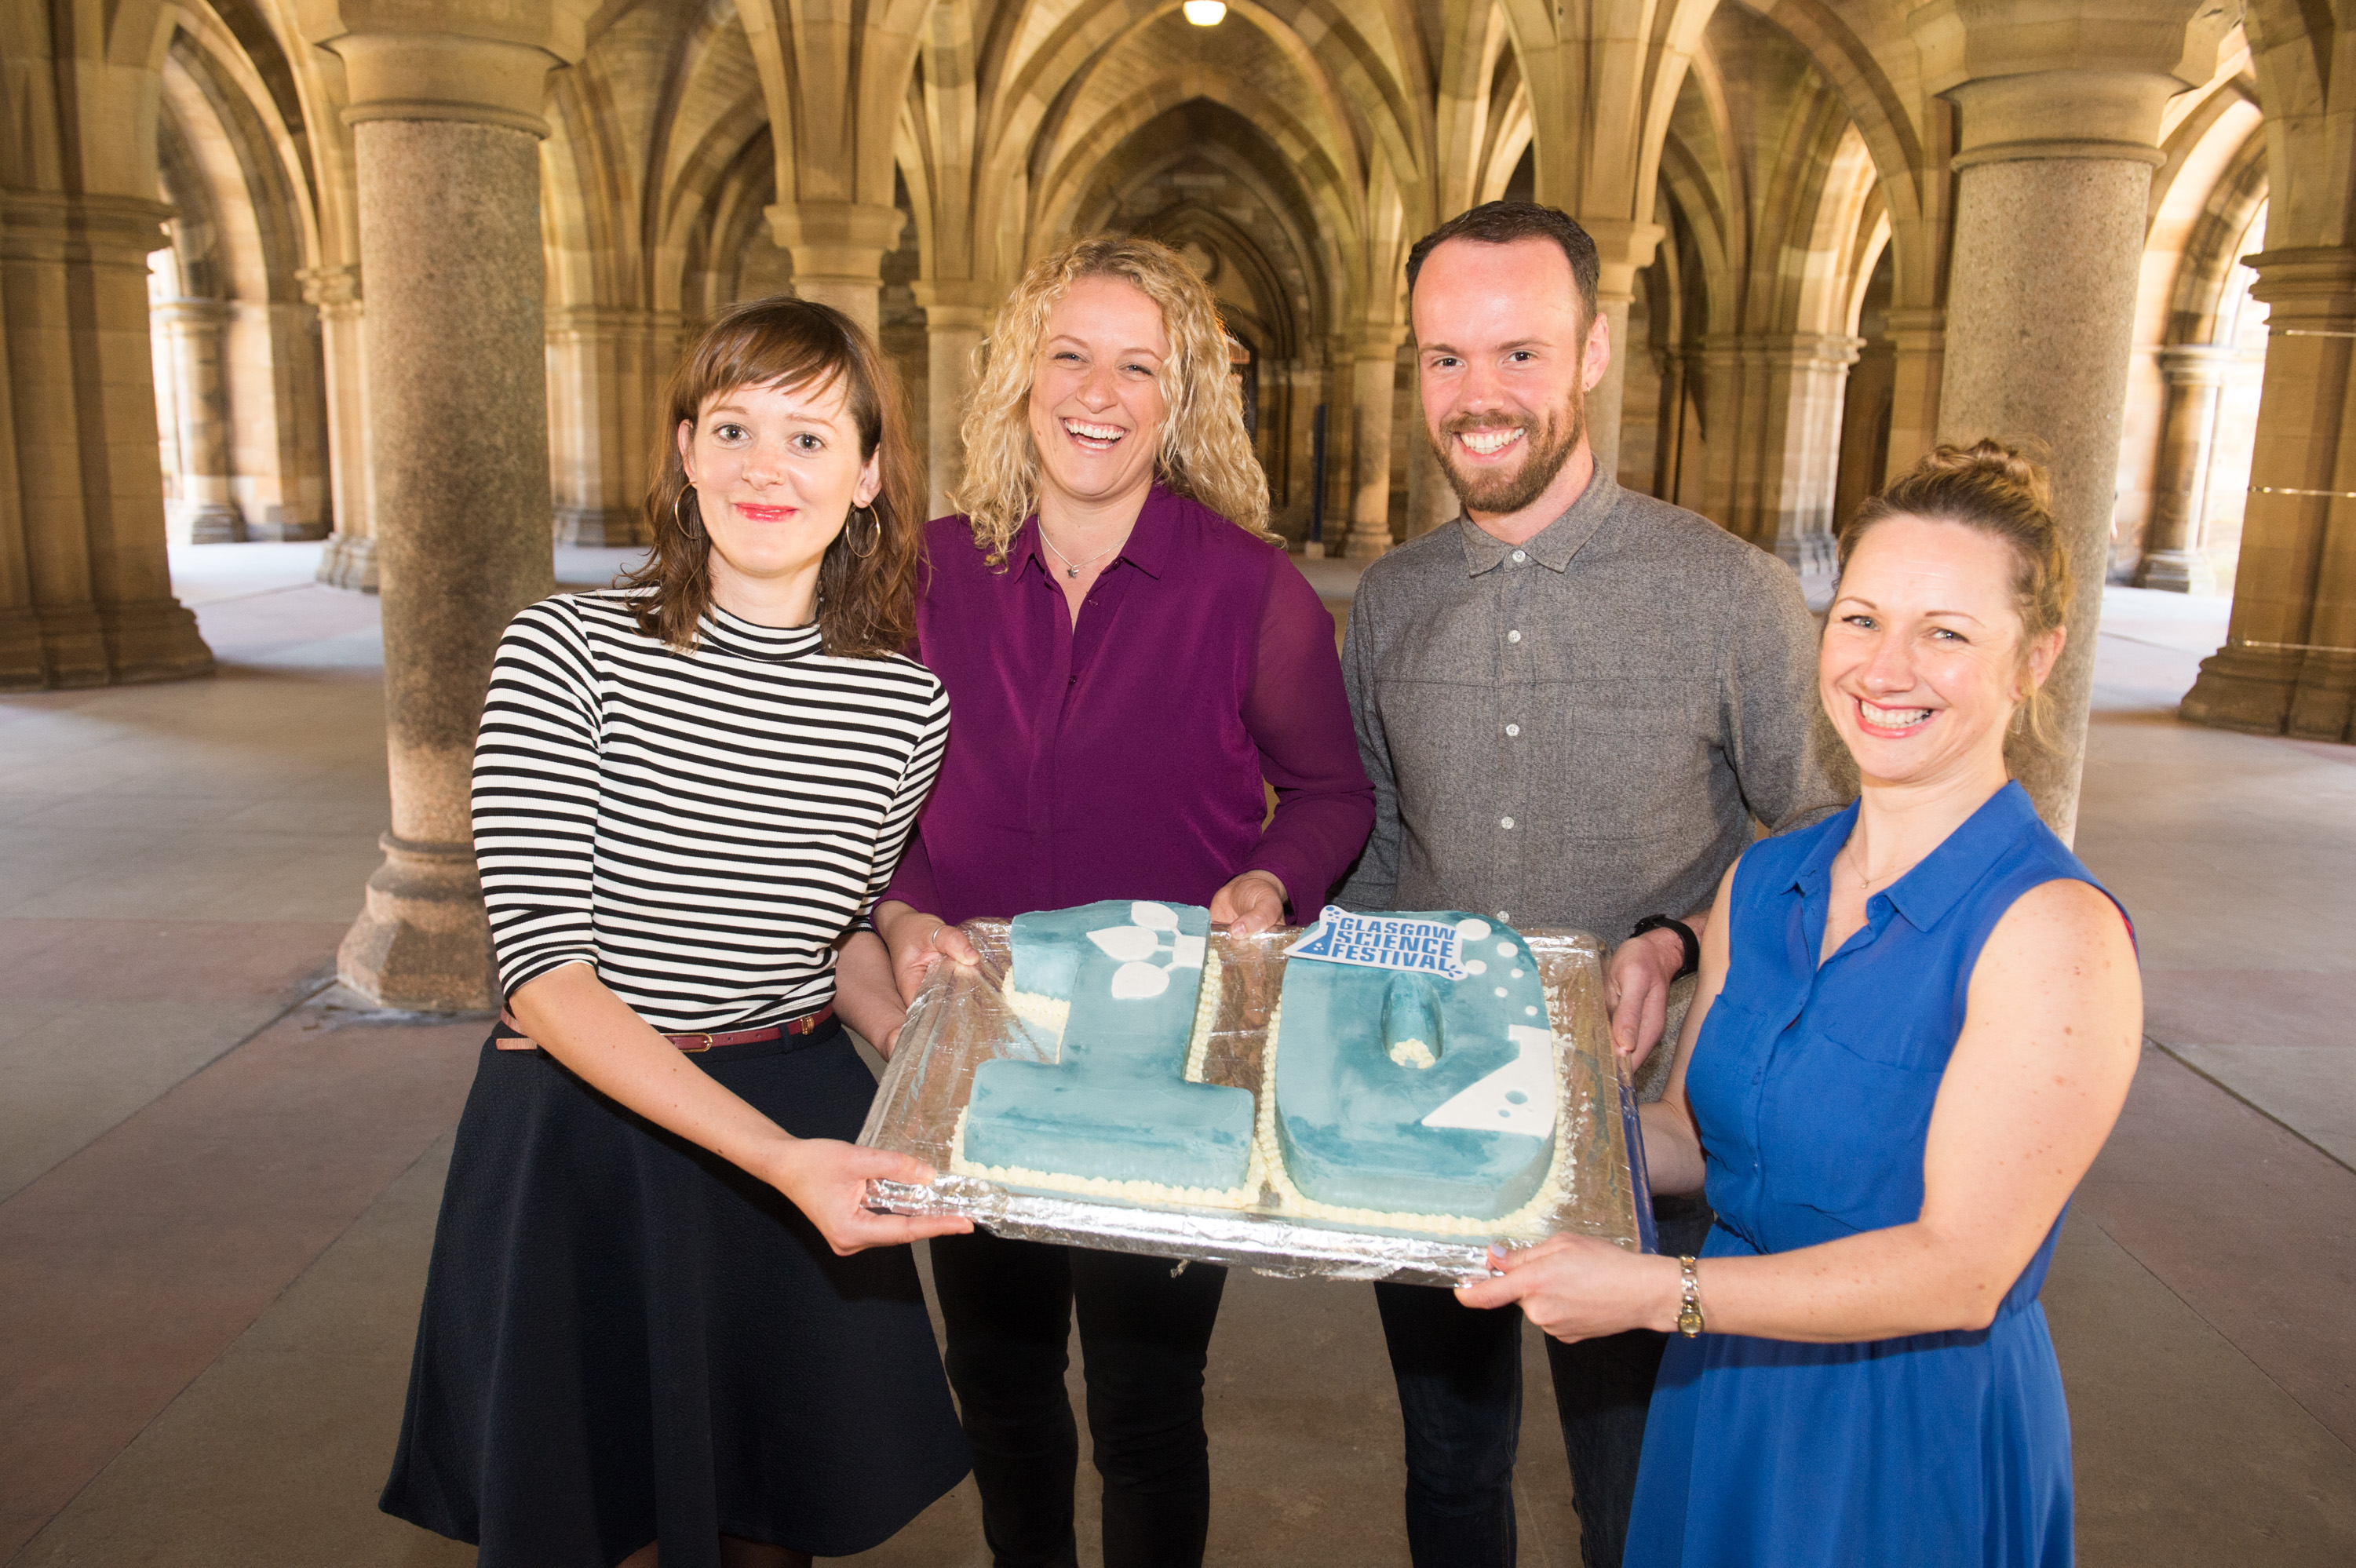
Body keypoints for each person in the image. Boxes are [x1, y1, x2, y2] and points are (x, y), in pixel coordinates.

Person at [1462, 440, 2143, 1568]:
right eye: (1861, 618)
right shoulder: (1766, 877)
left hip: (1903, 1424)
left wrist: (1657, 1291)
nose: (1886, 668)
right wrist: (1492, 1131)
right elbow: (1690, 1137)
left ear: (2036, 659)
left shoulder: (2053, 933)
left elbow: (1961, 1269)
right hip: (1726, 1388)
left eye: (1946, 633)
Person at [380, 298, 974, 1568]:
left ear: (869, 474)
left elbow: (834, 938)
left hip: (797, 1105)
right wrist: (782, 1162)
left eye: (810, 438)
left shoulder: (903, 706)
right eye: (733, 427)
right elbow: (545, 976)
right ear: (687, 450)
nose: (767, 467)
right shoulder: (565, 650)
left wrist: (924, 1040)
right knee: (605, 1519)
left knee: (775, 1526)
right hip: (593, 1131)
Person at [1336, 200, 1844, 1568]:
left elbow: (1819, 836)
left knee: (1631, 1496)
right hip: (1432, 1126)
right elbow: (1380, 848)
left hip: (1650, 1135)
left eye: (1520, 352)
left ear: (1594, 351)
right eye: (1445, 357)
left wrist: (1677, 939)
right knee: (1449, 1471)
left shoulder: (1729, 593)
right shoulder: (1387, 601)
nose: (1478, 394)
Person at [873, 234, 1374, 1568]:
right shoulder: (929, 572)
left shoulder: (1250, 590)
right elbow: (871, 791)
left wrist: (1275, 873)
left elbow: (1331, 791)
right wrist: (904, 910)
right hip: (981, 1039)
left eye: (1137, 366)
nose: (1099, 393)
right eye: (1071, 355)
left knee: (1146, 1405)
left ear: (1182, 395)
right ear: (1021, 377)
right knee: (999, 1380)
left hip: (1168, 1058)